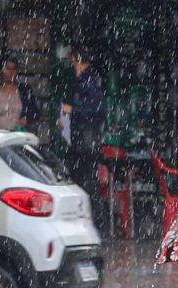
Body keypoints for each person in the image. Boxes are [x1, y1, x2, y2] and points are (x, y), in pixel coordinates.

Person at [63, 46, 107, 234]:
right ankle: (93, 222)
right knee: (85, 178)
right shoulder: (86, 79)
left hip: (87, 136)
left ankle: (95, 222)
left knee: (86, 178)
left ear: (73, 58)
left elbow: (97, 109)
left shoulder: (88, 79)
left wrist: (74, 111)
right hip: (84, 135)